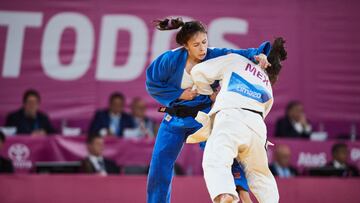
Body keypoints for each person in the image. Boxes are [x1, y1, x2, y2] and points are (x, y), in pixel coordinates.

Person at [146, 17, 272, 203]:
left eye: (204, 42)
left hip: (205, 117)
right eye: (196, 44)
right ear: (186, 46)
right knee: (159, 166)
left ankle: (238, 197)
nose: (202, 48)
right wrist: (181, 94)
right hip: (175, 119)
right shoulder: (170, 59)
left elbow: (242, 55)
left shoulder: (215, 54)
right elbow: (152, 82)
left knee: (225, 154)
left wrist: (258, 56)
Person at [187, 37, 287, 203]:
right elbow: (262, 114)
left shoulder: (236, 60)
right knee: (260, 174)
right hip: (257, 128)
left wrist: (208, 94)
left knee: (216, 159)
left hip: (231, 117)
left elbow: (198, 71)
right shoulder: (267, 86)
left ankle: (225, 193)